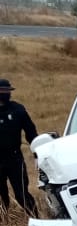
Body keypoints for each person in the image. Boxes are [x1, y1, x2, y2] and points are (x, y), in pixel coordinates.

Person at [0, 78, 39, 218]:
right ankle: (3, 222)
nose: (5, 94)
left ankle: (35, 219)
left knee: (21, 192)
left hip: (14, 158)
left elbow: (31, 131)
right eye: (2, 91)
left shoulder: (18, 110)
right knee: (1, 195)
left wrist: (37, 151)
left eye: (7, 91)